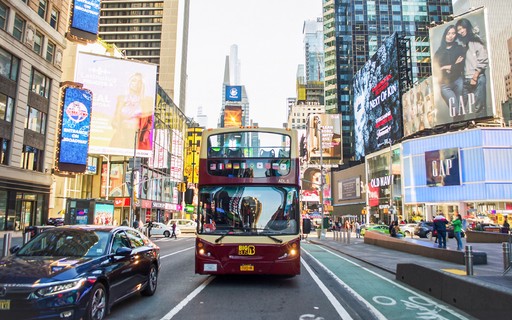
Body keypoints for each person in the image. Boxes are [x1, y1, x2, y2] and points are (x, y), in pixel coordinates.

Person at [110, 72, 153, 150]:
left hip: (138, 138)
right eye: (134, 80)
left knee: (136, 159)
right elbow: (114, 119)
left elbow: (150, 120)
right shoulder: (121, 99)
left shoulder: (147, 101)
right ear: (129, 82)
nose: (136, 84)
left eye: (139, 82)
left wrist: (145, 134)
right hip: (121, 136)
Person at [455, 18, 489, 115]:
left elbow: (483, 59)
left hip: (477, 78)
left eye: (462, 28)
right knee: (460, 109)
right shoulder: (460, 43)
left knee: (480, 108)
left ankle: (481, 127)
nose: (461, 31)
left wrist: (475, 77)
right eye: (458, 30)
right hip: (465, 79)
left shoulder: (476, 40)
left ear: (467, 27)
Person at [433, 24, 465, 121]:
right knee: (455, 109)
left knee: (461, 110)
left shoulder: (459, 48)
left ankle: (461, 129)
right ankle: (458, 129)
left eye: (453, 33)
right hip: (445, 85)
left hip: (458, 81)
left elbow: (461, 66)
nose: (450, 36)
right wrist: (453, 65)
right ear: (445, 35)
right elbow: (436, 71)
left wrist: (446, 67)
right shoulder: (438, 53)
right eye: (448, 33)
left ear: (456, 35)